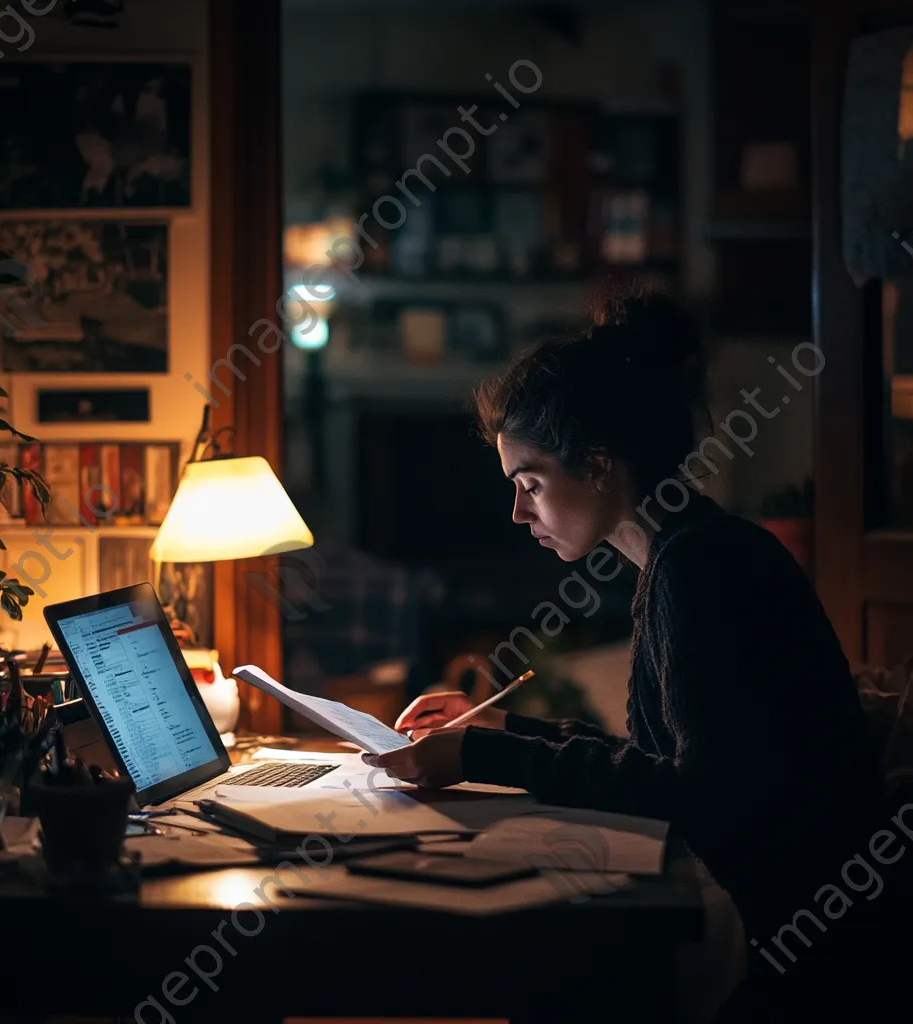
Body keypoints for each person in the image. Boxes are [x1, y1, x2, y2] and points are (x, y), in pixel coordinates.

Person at [365, 289, 895, 1019]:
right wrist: (494, 732)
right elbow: (665, 764)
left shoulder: (697, 568)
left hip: (805, 949)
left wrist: (482, 759)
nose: (519, 512)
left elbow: (699, 793)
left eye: (531, 484)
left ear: (602, 465)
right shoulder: (684, 552)